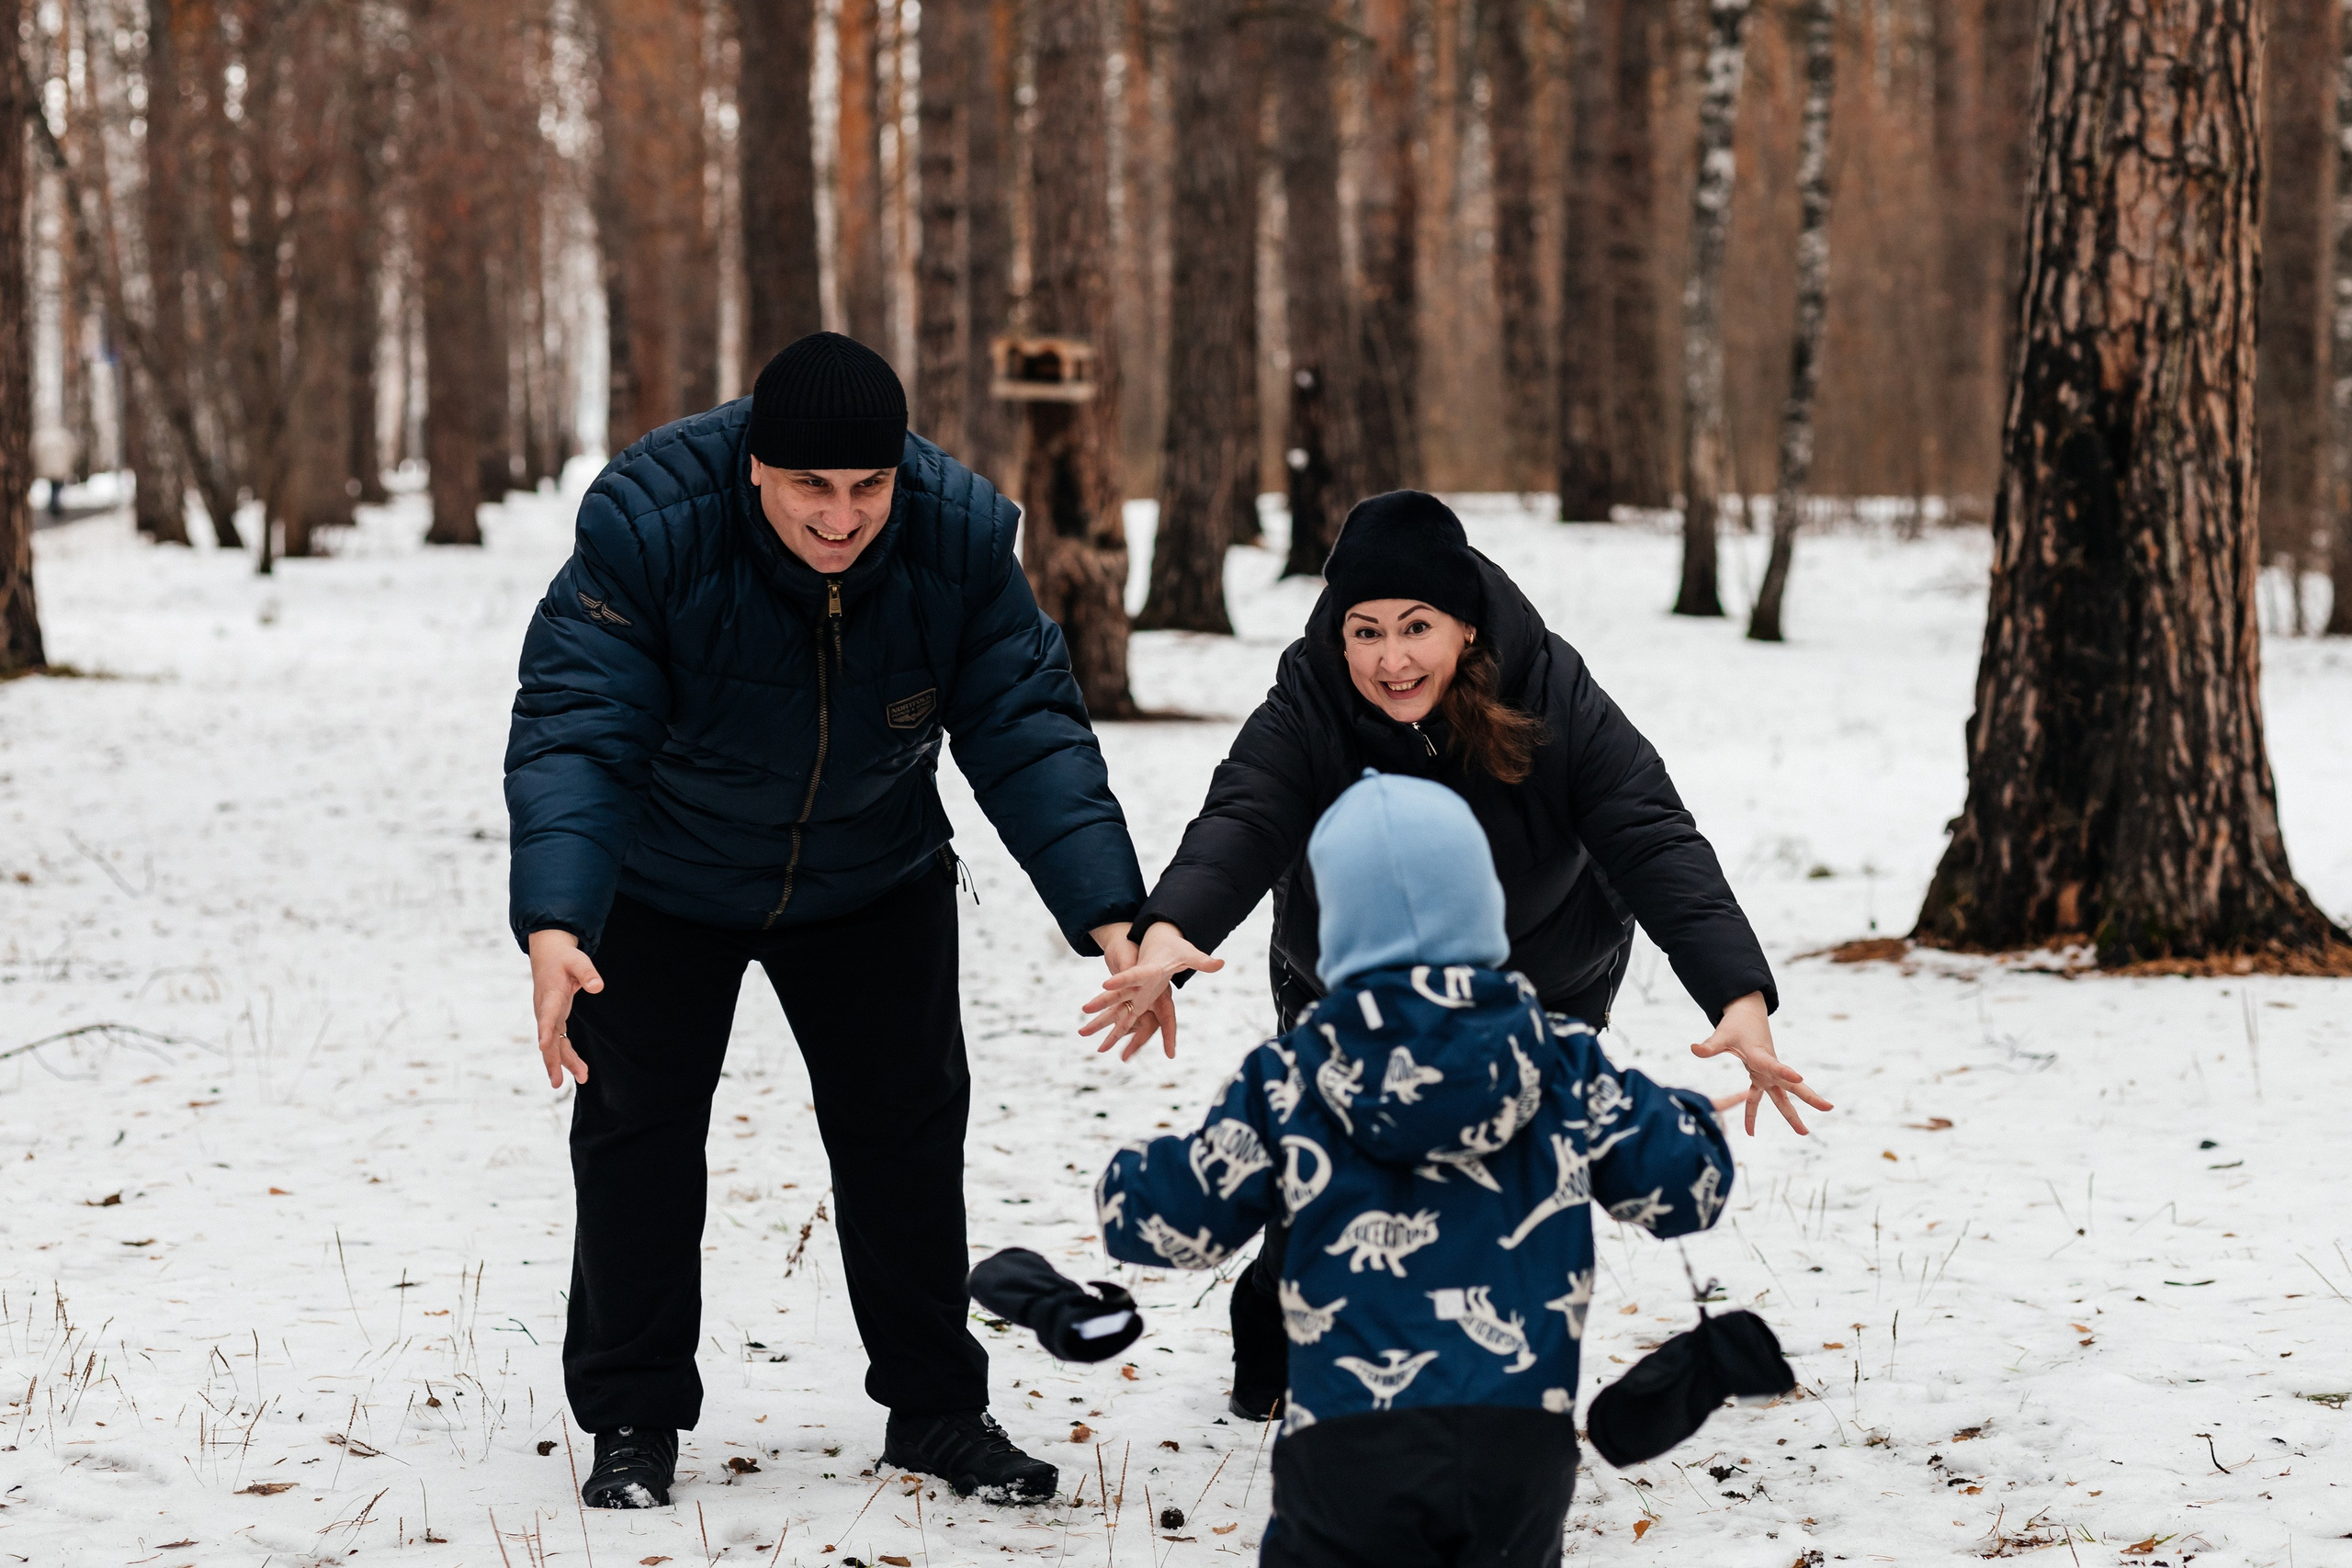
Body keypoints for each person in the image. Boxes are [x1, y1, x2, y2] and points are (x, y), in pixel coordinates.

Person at [506, 333, 1153, 1508]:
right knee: (637, 1140)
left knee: (904, 1138)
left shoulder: (955, 535)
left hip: (873, 872)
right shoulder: (649, 524)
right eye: (813, 487)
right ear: (756, 467)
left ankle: (936, 1411)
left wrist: (1111, 911)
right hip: (667, 879)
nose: (843, 517)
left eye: (867, 487)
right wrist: (558, 921)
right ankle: (633, 1417)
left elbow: (1028, 726)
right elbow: (575, 729)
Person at [1081, 489, 1830, 1418]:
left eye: (1415, 627)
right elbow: (1245, 814)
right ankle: (1277, 1312)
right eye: (1364, 631)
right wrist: (1169, 937)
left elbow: (1650, 835)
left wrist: (1735, 994)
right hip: (1345, 982)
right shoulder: (1311, 693)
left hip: (1538, 974)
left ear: (1466, 627)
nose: (1390, 659)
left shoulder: (1550, 688)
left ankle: (1488, 1385)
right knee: (1319, 1166)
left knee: (1510, 1178)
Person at [1093, 771, 1738, 1567]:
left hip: (1346, 1445)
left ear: (1332, 925)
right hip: (1519, 1448)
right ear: (1485, 907)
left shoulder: (1290, 1076)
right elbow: (1687, 1188)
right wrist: (1690, 1116)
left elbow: (1170, 1223)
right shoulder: (1563, 1060)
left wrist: (1126, 1179)